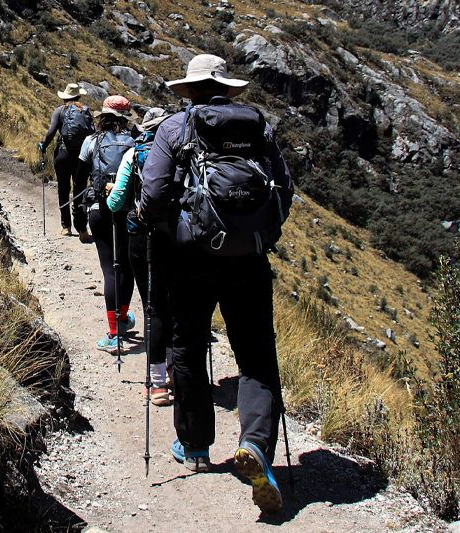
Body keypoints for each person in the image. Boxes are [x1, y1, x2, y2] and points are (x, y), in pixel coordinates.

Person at [139, 54, 293, 512]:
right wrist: (260, 233)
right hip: (249, 259)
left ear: (189, 91)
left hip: (190, 259)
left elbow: (153, 194)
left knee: (187, 346)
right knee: (255, 353)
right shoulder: (259, 130)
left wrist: (166, 227)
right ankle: (257, 443)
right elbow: (284, 189)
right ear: (227, 88)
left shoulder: (173, 129)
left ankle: (195, 446)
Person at [107, 108, 172, 406]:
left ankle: (158, 382)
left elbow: (116, 201)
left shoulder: (135, 155)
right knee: (175, 303)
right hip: (178, 236)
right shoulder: (180, 151)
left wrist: (108, 193)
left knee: (152, 306)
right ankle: (177, 366)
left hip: (141, 235)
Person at [75, 96, 138, 352]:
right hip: (129, 212)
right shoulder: (135, 142)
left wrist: (78, 217)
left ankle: (114, 333)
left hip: (99, 210)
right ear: (125, 118)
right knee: (127, 267)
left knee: (109, 269)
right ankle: (122, 318)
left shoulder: (92, 141)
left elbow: (79, 180)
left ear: (102, 116)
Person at [38, 83, 94, 238]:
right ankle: (82, 230)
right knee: (80, 191)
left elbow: (51, 131)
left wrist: (44, 145)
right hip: (82, 157)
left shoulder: (60, 111)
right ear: (79, 96)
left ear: (65, 97)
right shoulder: (85, 111)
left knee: (63, 190)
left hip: (63, 155)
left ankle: (66, 226)